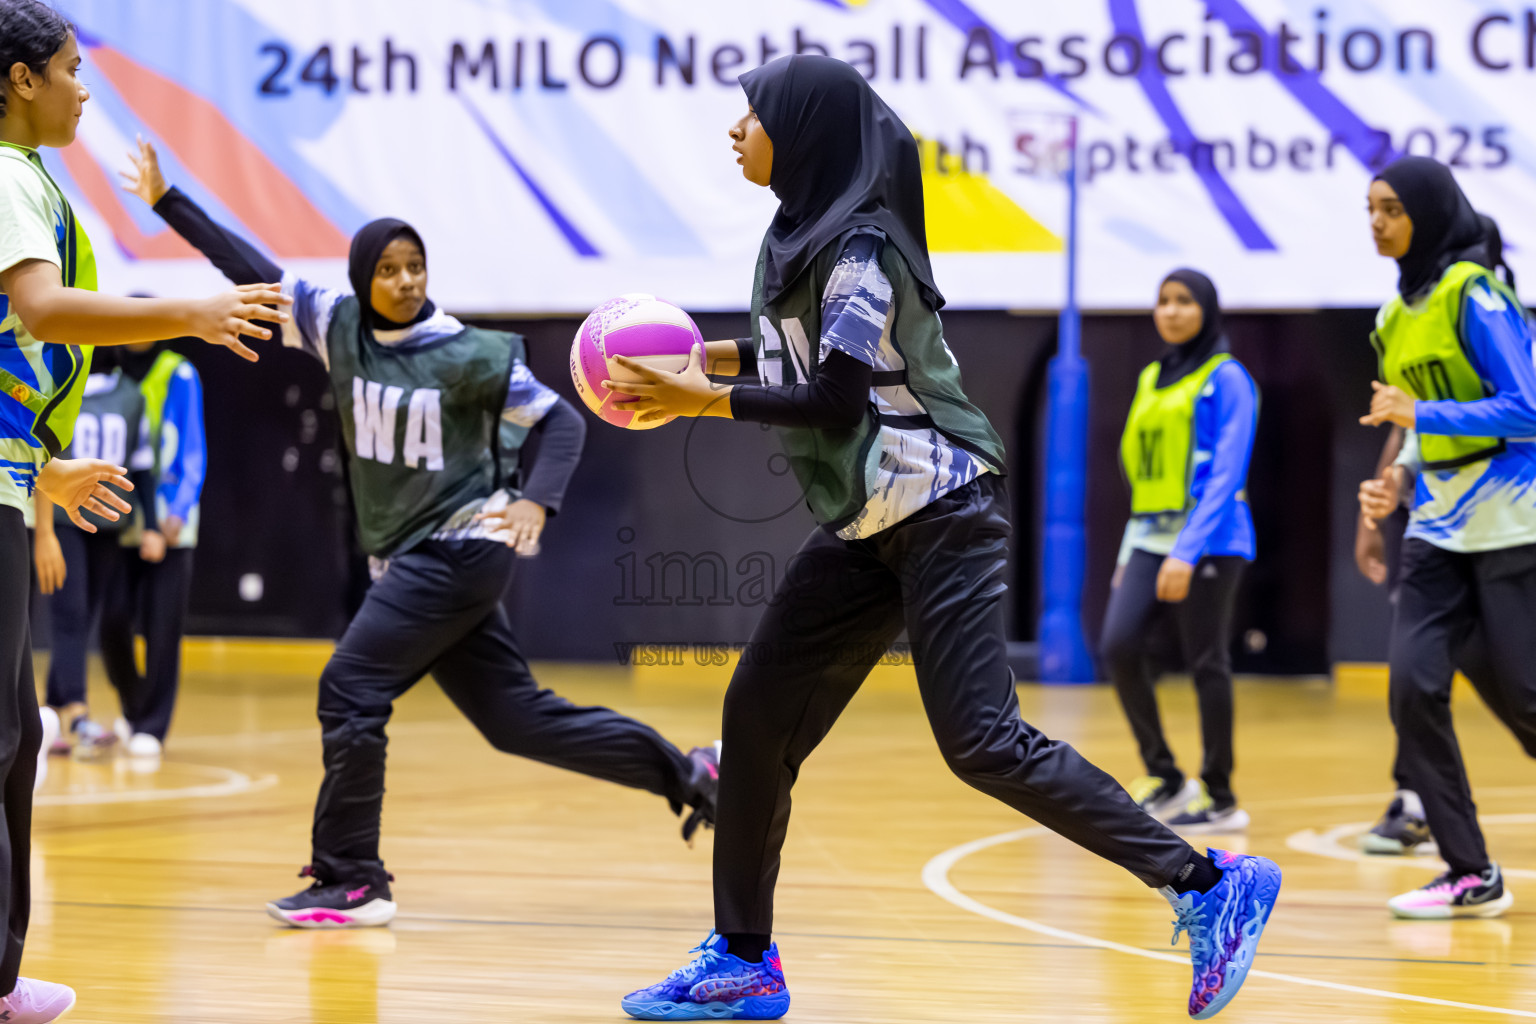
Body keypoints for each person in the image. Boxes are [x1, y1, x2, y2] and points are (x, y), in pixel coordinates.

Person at [607, 55, 1280, 1022]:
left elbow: (836, 395)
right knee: (756, 712)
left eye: (750, 115)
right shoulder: (795, 237)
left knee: (981, 744)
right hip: (866, 520)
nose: (734, 130)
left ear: (800, 131)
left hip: (944, 511)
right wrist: (685, 355)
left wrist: (698, 400)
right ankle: (744, 958)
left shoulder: (862, 247)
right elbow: (802, 355)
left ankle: (1211, 885)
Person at [121, 138, 720, 929]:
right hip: (417, 559)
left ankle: (353, 877)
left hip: (462, 549)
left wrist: (538, 502)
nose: (406, 282)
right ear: (364, 279)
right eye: (389, 270)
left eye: (417, 267)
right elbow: (254, 273)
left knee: (349, 687)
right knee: (516, 719)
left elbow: (562, 424)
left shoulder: (469, 353)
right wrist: (169, 202)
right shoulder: (337, 326)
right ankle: (695, 775)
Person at [0, 3, 288, 1018]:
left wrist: (39, 475)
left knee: (17, 742)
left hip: (11, 478)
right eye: (74, 68)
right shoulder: (3, 176)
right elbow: (39, 310)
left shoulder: (29, 180)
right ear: (21, 79)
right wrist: (195, 310)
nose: (88, 88)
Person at [1357, 156, 1536, 918]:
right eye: (1370, 209)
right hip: (1436, 526)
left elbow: (1526, 409)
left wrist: (1416, 419)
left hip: (1509, 523)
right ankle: (1470, 870)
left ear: (1427, 213)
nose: (1377, 222)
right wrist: (1395, 480)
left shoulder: (1477, 293)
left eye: (1392, 209)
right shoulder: (1395, 316)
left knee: (1528, 699)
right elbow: (1418, 424)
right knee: (1410, 686)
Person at [1099, 271, 1258, 834]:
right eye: (1163, 301)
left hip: (1211, 537)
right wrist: (1128, 553)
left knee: (1205, 660)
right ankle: (1165, 775)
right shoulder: (1151, 377)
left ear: (1207, 309)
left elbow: (1226, 475)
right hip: (1148, 535)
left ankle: (1220, 794)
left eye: (1183, 301)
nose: (1170, 311)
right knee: (1117, 645)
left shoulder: (1229, 378)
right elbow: (1138, 472)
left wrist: (1187, 552)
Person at [41, 354, 155, 755]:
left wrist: (151, 525)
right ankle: (78, 714)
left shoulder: (129, 395)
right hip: (63, 521)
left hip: (108, 523)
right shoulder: (63, 386)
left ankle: (50, 713)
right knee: (70, 615)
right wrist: (43, 534)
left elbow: (141, 468)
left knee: (84, 615)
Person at [99, 339, 207, 758]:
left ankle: (154, 726)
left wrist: (176, 514)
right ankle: (134, 706)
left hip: (169, 520)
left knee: (163, 627)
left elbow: (193, 448)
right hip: (122, 516)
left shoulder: (179, 372)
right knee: (112, 619)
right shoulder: (113, 372)